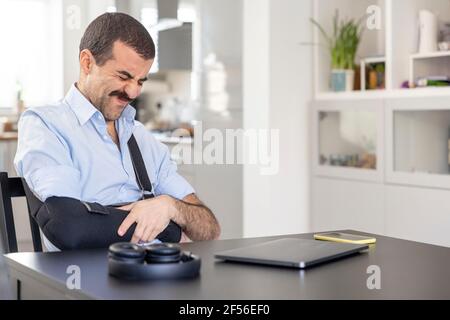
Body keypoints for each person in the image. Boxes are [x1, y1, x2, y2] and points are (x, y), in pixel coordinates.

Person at [14, 12, 220, 251]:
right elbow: (69, 226)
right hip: (85, 280)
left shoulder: (142, 139)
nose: (133, 92)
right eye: (124, 76)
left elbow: (209, 229)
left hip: (156, 276)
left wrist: (169, 207)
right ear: (87, 62)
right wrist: (168, 229)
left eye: (141, 81)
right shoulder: (46, 125)